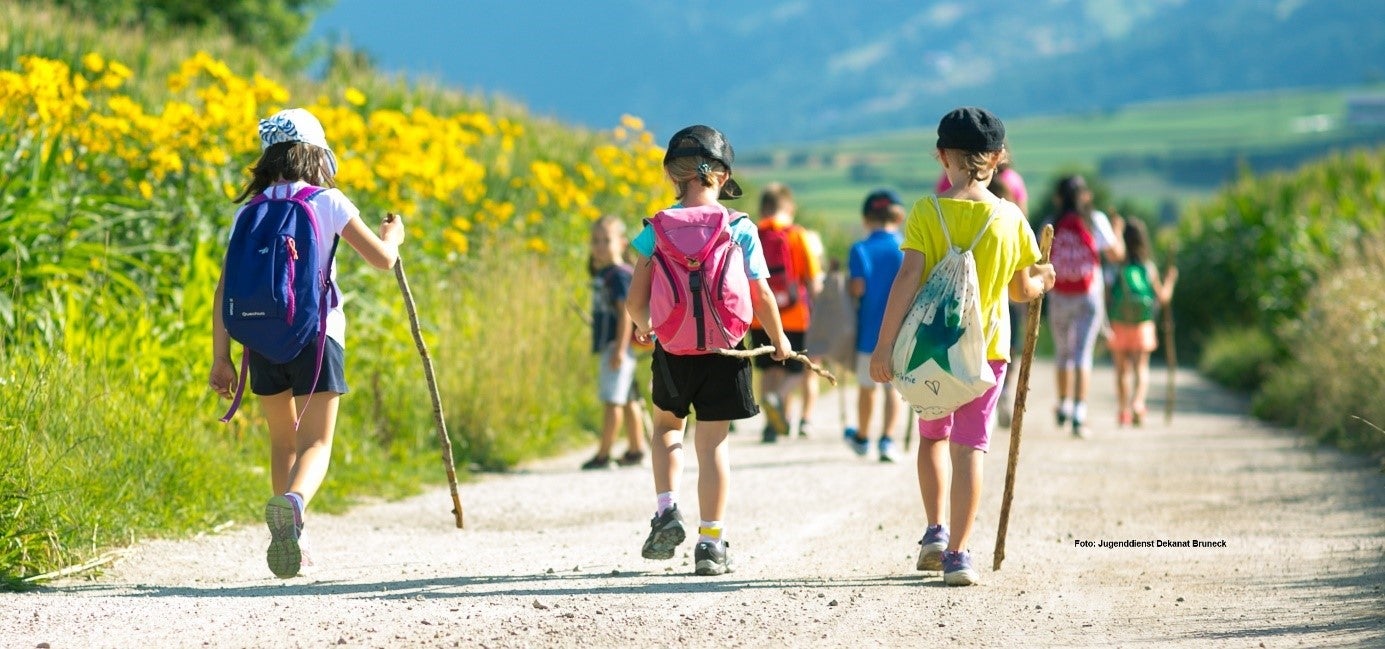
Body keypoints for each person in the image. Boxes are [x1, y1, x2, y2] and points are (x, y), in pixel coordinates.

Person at [209, 108, 406, 579]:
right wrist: (392, 235)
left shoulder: (248, 213)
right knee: (317, 440)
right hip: (318, 337)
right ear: (317, 155)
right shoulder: (328, 201)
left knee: (284, 441)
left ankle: (292, 534)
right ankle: (294, 505)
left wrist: (222, 357)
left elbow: (223, 289)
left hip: (259, 340)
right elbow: (381, 260)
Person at [869, 107, 1054, 586]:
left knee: (932, 437)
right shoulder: (1011, 217)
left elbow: (907, 279)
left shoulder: (927, 212)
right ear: (998, 158)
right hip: (987, 352)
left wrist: (883, 347)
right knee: (970, 447)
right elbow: (1019, 290)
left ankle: (934, 530)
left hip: (930, 349)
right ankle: (958, 555)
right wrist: (1041, 281)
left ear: (941, 155)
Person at [626, 125, 791, 576]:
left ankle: (666, 510)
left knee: (666, 428)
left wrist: (647, 328)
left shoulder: (653, 230)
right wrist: (779, 341)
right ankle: (711, 543)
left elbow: (634, 303)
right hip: (727, 350)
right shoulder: (739, 227)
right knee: (712, 444)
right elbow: (761, 295)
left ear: (672, 177)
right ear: (721, 175)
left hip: (674, 349)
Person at [939, 164, 1030, 430]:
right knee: (971, 439)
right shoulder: (1011, 202)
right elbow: (1022, 286)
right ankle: (1002, 393)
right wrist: (1041, 280)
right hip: (992, 330)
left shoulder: (942, 192)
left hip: (946, 324)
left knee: (936, 431)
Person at [1044, 175, 1124, 438]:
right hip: (1089, 295)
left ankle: (1064, 404)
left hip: (1059, 294)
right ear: (1085, 196)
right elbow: (1116, 255)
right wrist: (1118, 231)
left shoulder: (1051, 223)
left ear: (1058, 197)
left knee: (1063, 352)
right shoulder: (1095, 220)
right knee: (1082, 354)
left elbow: (1038, 257)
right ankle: (1079, 412)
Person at [749, 182, 823, 443]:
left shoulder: (753, 234)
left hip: (760, 317)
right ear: (789, 206)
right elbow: (813, 281)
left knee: (769, 370)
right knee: (798, 370)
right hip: (795, 315)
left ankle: (771, 425)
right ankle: (778, 400)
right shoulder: (797, 235)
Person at [844, 188, 908, 463]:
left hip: (869, 333)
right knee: (893, 388)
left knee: (867, 387)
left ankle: (862, 437)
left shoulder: (860, 249)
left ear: (866, 218)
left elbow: (857, 289)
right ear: (898, 216)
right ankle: (887, 439)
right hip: (900, 333)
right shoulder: (906, 248)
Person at [581, 215, 648, 470]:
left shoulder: (619, 275)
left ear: (621, 243)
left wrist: (619, 349)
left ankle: (603, 454)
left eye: (605, 240)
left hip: (617, 346)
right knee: (629, 398)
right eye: (595, 241)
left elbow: (626, 314)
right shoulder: (607, 273)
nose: (599, 246)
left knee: (613, 400)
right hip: (618, 347)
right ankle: (635, 449)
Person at [1107, 216, 1177, 426]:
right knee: (1140, 368)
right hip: (1143, 323)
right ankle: (1138, 403)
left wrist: (1116, 231)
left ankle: (1123, 410)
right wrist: (1171, 279)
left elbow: (1108, 294)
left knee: (1121, 371)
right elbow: (1163, 297)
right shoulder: (1149, 267)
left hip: (1119, 321)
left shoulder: (1117, 267)